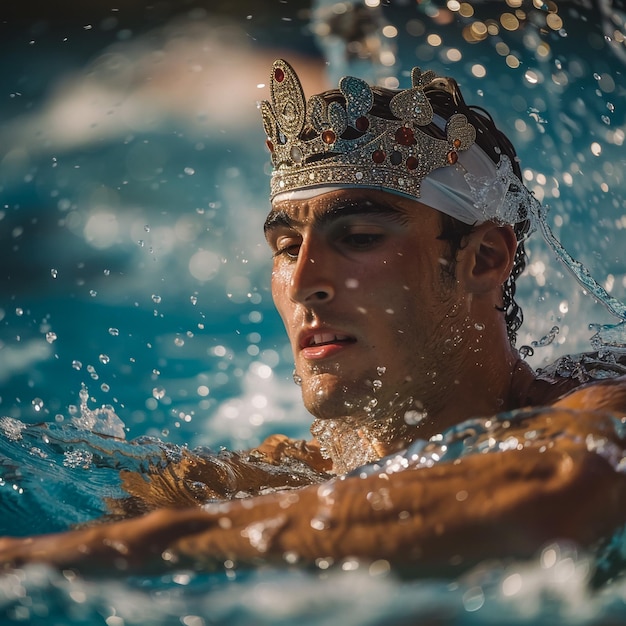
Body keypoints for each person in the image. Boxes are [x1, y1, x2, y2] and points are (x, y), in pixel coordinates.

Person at [2, 59, 626, 575]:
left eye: (356, 237)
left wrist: (138, 547)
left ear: (484, 259)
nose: (304, 284)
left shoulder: (596, 407)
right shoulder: (288, 474)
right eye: (285, 247)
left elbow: (548, 503)